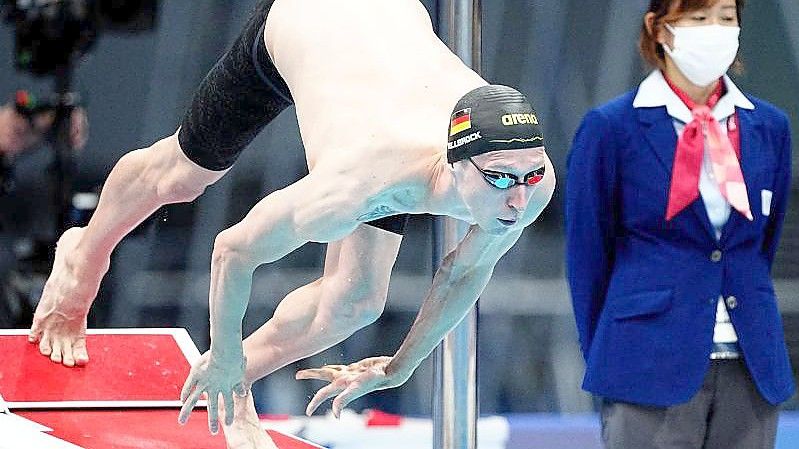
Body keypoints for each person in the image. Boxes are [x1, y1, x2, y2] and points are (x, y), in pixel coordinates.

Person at [27, 0, 555, 445]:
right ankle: (85, 253)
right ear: (457, 163)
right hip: (308, 20)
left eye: (529, 177)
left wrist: (399, 366)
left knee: (354, 304)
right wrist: (226, 343)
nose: (518, 199)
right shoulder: (355, 183)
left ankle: (230, 380)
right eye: (502, 180)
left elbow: (463, 273)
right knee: (182, 178)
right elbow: (234, 249)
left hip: (385, 56)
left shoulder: (528, 180)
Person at [565, 0, 793, 448]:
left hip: (750, 360)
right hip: (645, 361)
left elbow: (762, 242)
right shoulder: (611, 127)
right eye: (698, 17)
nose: (715, 29)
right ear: (660, 29)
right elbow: (587, 256)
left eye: (727, 18)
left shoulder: (769, 126)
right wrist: (612, 356)